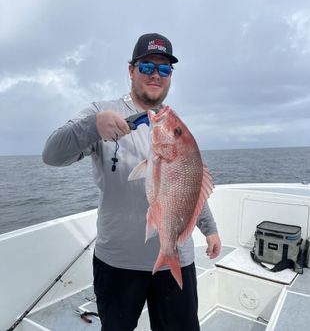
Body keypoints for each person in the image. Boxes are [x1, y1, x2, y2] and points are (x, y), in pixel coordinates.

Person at [43, 33, 221, 331]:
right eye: (147, 66)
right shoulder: (102, 112)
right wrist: (93, 126)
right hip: (118, 262)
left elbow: (189, 185)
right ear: (131, 70)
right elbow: (52, 154)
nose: (155, 74)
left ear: (170, 76)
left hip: (176, 257)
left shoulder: (171, 123)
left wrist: (210, 229)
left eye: (164, 69)